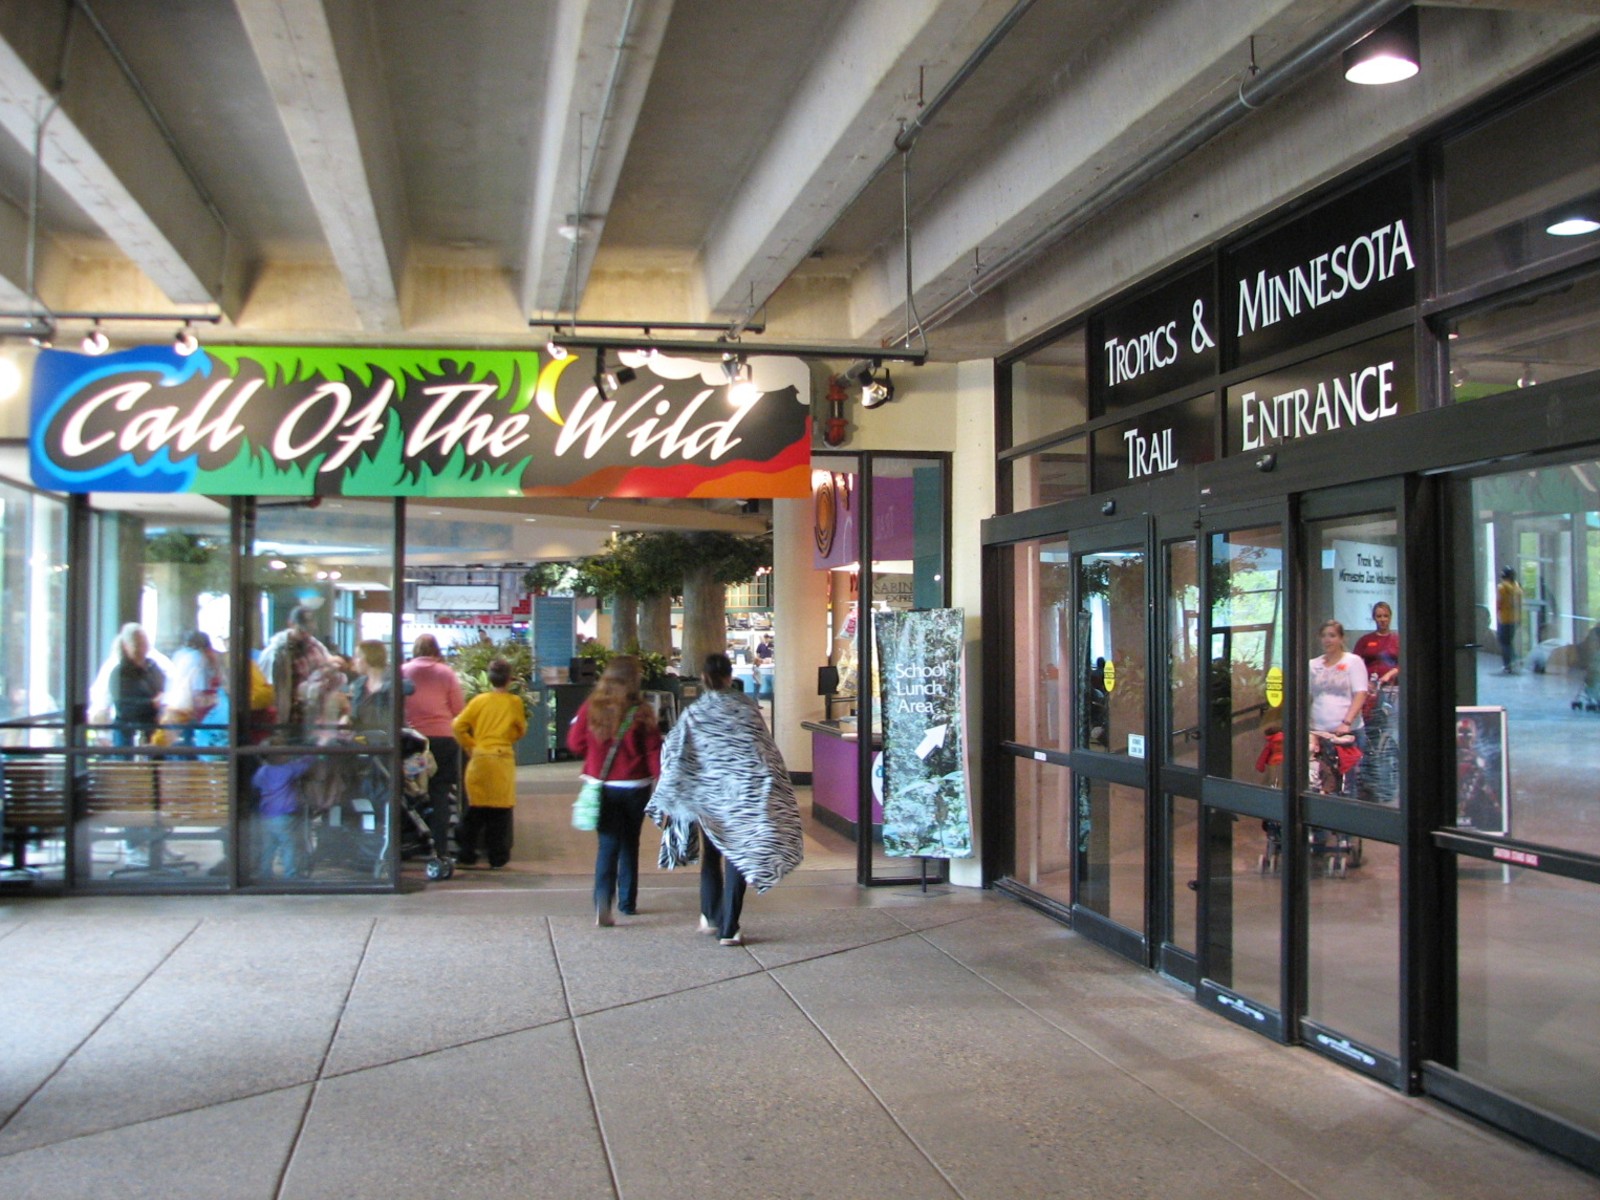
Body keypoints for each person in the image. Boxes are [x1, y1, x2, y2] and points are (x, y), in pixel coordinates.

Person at [647, 652, 804, 946]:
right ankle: (729, 927)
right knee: (736, 856)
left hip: (708, 797)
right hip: (743, 796)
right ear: (730, 677)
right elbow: (764, 751)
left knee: (713, 854)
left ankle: (709, 915)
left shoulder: (695, 713)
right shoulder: (747, 709)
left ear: (704, 679)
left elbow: (674, 749)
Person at [567, 655, 662, 925]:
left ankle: (602, 902)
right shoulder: (642, 710)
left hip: (602, 786)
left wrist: (595, 755)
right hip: (636, 786)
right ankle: (628, 902)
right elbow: (654, 751)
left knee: (607, 844)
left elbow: (574, 743)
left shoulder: (591, 707)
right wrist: (661, 781)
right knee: (630, 843)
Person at [453, 658, 527, 870]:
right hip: (502, 759)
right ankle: (498, 856)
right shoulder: (514, 703)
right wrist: (507, 739)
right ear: (509, 680)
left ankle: (467, 852)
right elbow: (520, 729)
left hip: (480, 758)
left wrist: (472, 745)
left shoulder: (478, 701)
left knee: (475, 809)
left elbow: (459, 726)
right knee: (500, 811)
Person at [403, 633, 465, 861]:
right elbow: (459, 709)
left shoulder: (403, 671)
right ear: (436, 650)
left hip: (413, 743)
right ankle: (441, 849)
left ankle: (412, 839)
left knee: (409, 791)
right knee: (440, 794)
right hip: (443, 741)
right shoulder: (446, 673)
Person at [1308, 619, 1368, 795]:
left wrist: (1346, 722)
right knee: (1324, 783)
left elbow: (1360, 693)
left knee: (1349, 785)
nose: (1327, 640)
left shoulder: (1353, 661)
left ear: (1341, 638)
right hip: (1319, 732)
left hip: (1347, 732)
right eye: (1324, 636)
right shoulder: (1313, 665)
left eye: (1332, 635)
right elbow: (1309, 695)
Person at [1352, 601, 1401, 804]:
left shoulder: (1397, 640)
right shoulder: (1366, 641)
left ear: (1390, 617)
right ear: (1374, 618)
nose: (1382, 620)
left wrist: (1391, 673)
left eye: (1385, 616)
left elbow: (1403, 663)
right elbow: (1355, 664)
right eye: (1379, 616)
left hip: (1392, 691)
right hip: (1369, 691)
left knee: (1388, 729)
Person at [258, 605, 332, 734]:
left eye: (309, 630)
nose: (306, 634)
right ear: (291, 624)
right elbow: (268, 689)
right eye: (302, 630)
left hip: (315, 717)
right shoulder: (275, 653)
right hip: (289, 718)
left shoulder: (317, 648)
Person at [99, 623, 167, 746]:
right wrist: (151, 703)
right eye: (137, 644)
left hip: (153, 731)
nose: (141, 648)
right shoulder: (119, 673)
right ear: (126, 646)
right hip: (128, 734)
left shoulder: (153, 667)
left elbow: (163, 688)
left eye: (144, 643)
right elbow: (124, 707)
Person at [253, 747, 314, 880]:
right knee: (288, 845)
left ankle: (265, 873)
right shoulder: (286, 770)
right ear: (276, 757)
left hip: (266, 814)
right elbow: (305, 764)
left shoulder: (262, 771)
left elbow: (256, 784)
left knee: (269, 846)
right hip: (282, 815)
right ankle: (290, 875)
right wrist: (316, 748)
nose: (287, 755)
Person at [165, 630, 226, 746]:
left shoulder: (179, 655)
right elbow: (199, 696)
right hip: (188, 715)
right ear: (206, 648)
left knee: (176, 751)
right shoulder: (198, 659)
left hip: (172, 711)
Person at [347, 639, 399, 738]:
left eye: (357, 656)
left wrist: (382, 688)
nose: (354, 661)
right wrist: (347, 718)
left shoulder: (392, 678)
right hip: (364, 740)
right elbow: (355, 715)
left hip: (389, 740)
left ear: (368, 658)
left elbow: (409, 687)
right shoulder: (359, 684)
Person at [1496, 566, 1523, 674]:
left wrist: (1497, 613)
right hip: (1516, 618)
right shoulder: (1518, 588)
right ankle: (1514, 660)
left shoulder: (1501, 588)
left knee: (1504, 642)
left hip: (1505, 618)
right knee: (1509, 641)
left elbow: (1499, 603)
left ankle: (1509, 664)